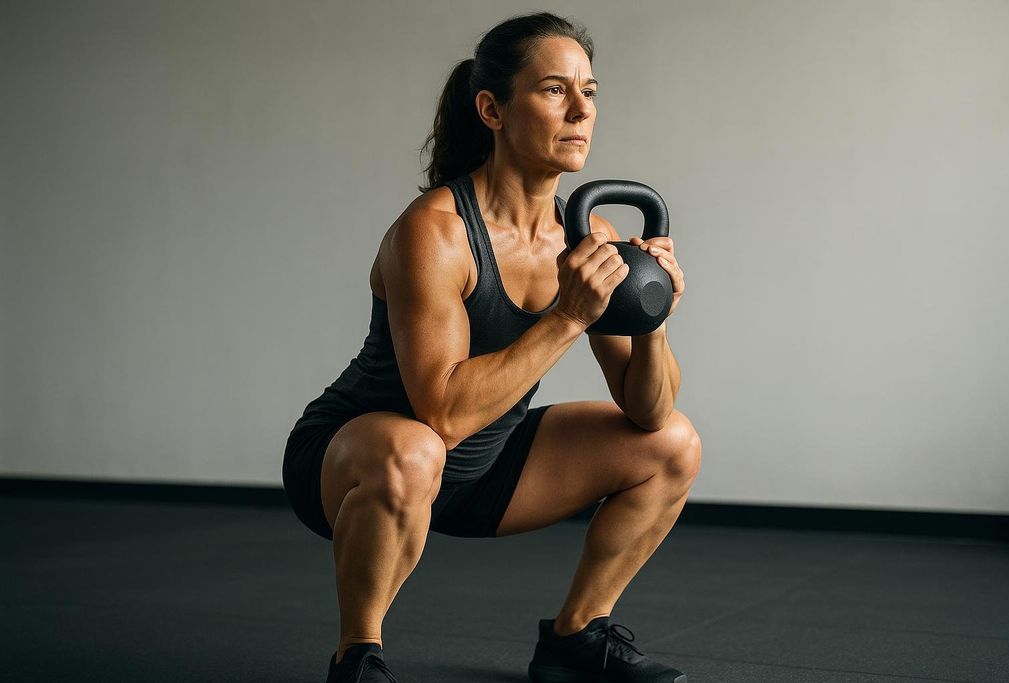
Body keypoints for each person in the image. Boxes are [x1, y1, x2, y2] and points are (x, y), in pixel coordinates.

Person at [282, 11, 700, 683]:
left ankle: (575, 638)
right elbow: (440, 414)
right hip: (360, 459)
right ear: (493, 109)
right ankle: (357, 658)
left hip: (484, 466)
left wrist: (652, 317)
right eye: (554, 90)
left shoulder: (588, 233)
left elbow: (648, 412)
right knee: (415, 450)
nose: (579, 111)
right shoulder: (436, 232)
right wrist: (567, 316)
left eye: (588, 92)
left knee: (673, 443)